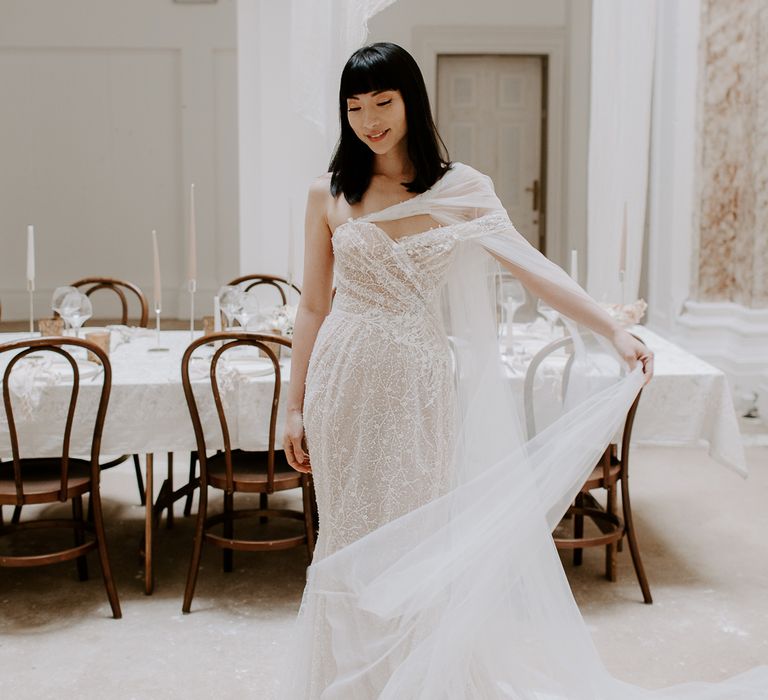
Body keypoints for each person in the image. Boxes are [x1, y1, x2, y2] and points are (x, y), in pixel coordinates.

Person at [280, 42, 767, 699]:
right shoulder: (329, 191)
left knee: (418, 536)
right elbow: (312, 305)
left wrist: (612, 327)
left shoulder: (461, 188)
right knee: (346, 534)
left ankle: (418, 682)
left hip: (418, 381)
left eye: (383, 102)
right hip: (344, 377)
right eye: (355, 106)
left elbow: (535, 269)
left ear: (411, 102)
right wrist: (294, 403)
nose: (369, 119)